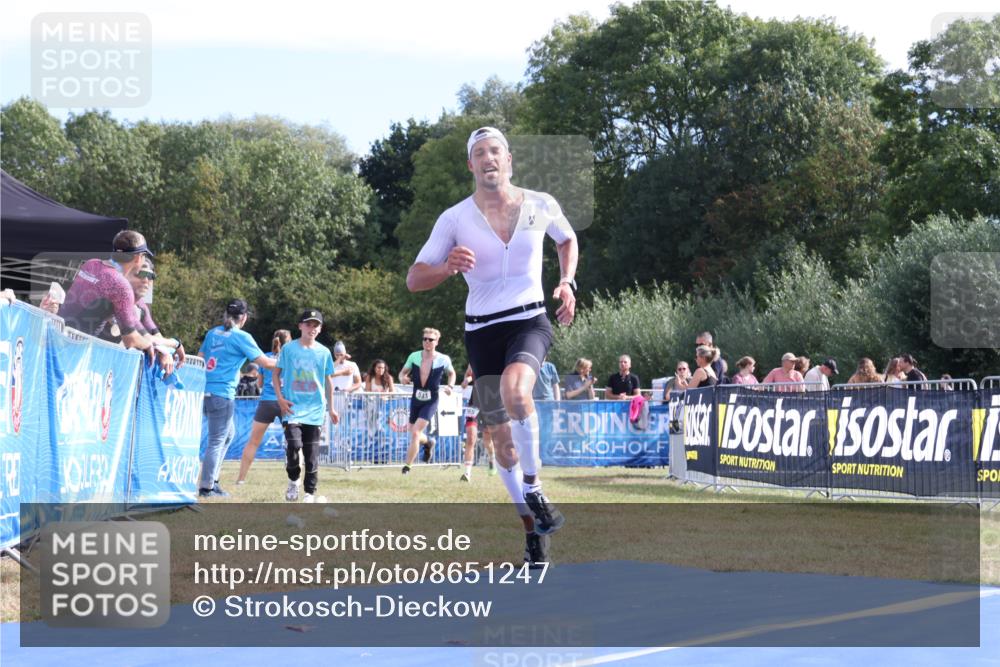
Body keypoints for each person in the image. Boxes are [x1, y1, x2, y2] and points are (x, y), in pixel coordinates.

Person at [405, 126, 579, 568]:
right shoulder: (455, 218)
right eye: (479, 153)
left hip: (528, 320)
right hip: (481, 331)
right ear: (471, 165)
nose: (488, 158)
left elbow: (567, 239)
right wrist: (446, 267)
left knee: (517, 392)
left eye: (495, 151)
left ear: (509, 159)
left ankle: (535, 487)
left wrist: (565, 282)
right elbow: (414, 278)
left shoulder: (539, 205)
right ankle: (532, 534)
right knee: (501, 444)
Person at [61, 230, 175, 374]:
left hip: (57, 337)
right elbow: (131, 339)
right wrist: (149, 347)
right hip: (73, 354)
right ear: (139, 257)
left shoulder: (91, 264)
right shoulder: (121, 286)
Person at [197, 299, 277, 498]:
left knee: (228, 434)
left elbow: (200, 358)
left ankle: (213, 481)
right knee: (216, 440)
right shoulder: (241, 336)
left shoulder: (212, 332)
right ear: (244, 317)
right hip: (221, 394)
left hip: (204, 391)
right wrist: (289, 362)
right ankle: (206, 487)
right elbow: (266, 363)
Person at [274, 309, 340, 503]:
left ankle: (310, 493)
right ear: (300, 326)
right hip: (292, 407)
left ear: (320, 329)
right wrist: (280, 398)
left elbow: (328, 381)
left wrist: (332, 408)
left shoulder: (324, 352)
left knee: (311, 454)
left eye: (316, 325)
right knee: (294, 446)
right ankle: (293, 480)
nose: (312, 328)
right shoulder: (288, 349)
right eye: (308, 324)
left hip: (315, 409)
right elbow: (275, 374)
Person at [236, 329, 292, 485]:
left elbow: (259, 384)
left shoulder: (265, 358)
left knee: (253, 442)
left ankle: (241, 479)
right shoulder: (292, 358)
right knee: (294, 442)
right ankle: (295, 481)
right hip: (285, 403)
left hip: (266, 402)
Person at [398, 328, 455, 473]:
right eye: (425, 339)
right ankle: (428, 442)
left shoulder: (443, 359)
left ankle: (407, 467)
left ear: (437, 342)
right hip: (416, 398)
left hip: (431, 400)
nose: (427, 342)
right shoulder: (414, 356)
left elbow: (452, 373)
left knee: (416, 432)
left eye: (430, 339)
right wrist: (402, 378)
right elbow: (402, 372)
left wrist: (450, 386)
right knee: (412, 432)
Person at [460, 365, 497, 482]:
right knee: (470, 438)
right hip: (474, 403)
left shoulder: (498, 356)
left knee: (487, 437)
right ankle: (467, 473)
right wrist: (467, 380)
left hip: (491, 404)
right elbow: (469, 374)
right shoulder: (474, 355)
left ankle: (492, 458)